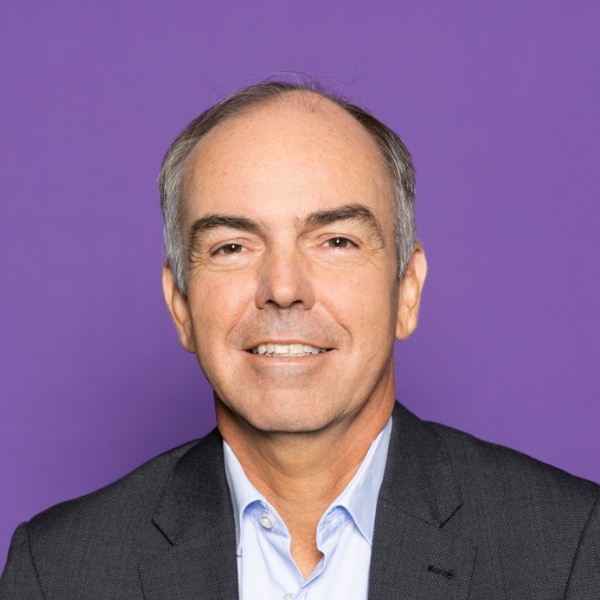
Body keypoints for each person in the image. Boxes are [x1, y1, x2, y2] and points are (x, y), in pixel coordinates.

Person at [1, 80, 599, 599]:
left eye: (336, 240)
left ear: (406, 292)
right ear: (181, 304)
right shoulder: (58, 571)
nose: (283, 288)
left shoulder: (571, 548)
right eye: (232, 247)